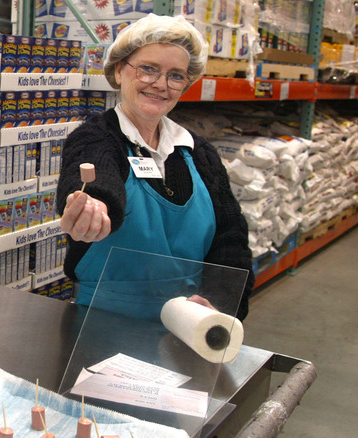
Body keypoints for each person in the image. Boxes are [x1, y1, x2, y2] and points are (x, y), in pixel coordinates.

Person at [56, 14, 253, 321]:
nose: (160, 84)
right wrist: (93, 206)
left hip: (188, 326)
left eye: (176, 75)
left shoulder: (199, 154)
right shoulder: (96, 138)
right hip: (100, 326)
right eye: (148, 69)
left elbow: (231, 238)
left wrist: (220, 305)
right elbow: (98, 175)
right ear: (119, 70)